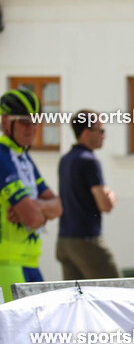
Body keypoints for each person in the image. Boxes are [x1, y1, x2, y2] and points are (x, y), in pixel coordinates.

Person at [0, 88, 62, 303]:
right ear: (6, 122)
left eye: (36, 121)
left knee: (40, 330)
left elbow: (58, 206)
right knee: (20, 333)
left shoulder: (23, 158)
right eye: (25, 121)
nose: (33, 128)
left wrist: (36, 206)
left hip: (30, 261)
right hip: (6, 264)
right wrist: (41, 210)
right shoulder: (2, 158)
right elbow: (33, 219)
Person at [57, 110, 121, 279]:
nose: (104, 136)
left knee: (76, 301)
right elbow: (105, 205)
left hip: (64, 242)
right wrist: (111, 195)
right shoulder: (89, 161)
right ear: (87, 132)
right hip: (87, 242)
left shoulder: (66, 159)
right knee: (116, 293)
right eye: (101, 131)